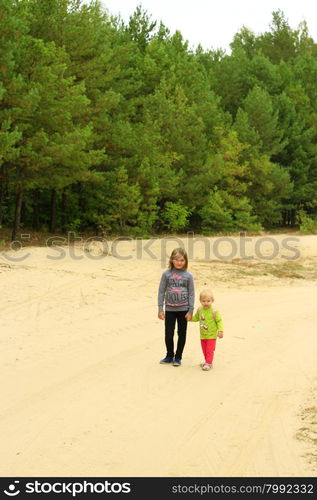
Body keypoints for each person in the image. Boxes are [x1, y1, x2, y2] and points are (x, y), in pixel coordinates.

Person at [158, 247, 195, 366]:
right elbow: (161, 291)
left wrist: (190, 310)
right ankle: (169, 355)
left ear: (186, 261)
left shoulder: (188, 276)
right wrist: (160, 308)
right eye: (176, 260)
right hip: (169, 309)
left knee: (182, 333)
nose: (179, 262)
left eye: (182, 260)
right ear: (172, 260)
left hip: (183, 310)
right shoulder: (166, 274)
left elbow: (191, 293)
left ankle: (178, 357)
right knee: (169, 333)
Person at [191, 289, 224, 371]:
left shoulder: (214, 311)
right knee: (204, 350)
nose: (206, 303)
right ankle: (207, 362)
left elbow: (219, 321)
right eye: (203, 301)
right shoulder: (200, 310)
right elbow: (196, 318)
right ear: (200, 301)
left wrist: (220, 331)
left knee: (210, 350)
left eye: (208, 301)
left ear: (212, 301)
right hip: (203, 335)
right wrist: (189, 318)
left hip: (212, 335)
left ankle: (208, 363)